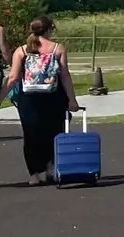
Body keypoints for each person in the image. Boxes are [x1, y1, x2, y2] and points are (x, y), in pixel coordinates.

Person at [7, 15, 79, 185]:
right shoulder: (57, 49)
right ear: (49, 30)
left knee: (31, 135)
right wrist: (72, 100)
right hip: (53, 97)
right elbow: (64, 75)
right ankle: (49, 168)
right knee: (54, 133)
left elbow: (13, 78)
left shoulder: (22, 51)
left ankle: (34, 174)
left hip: (29, 99)